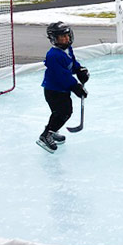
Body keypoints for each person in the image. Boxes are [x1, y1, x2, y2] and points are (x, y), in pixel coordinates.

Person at [37, 22, 89, 153]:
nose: (66, 39)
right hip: (54, 91)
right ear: (54, 39)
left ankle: (51, 130)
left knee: (61, 113)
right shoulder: (53, 55)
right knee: (63, 112)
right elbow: (62, 76)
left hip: (62, 89)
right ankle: (46, 135)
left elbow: (72, 63)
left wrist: (79, 70)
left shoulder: (67, 49)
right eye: (62, 37)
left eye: (67, 36)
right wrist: (75, 86)